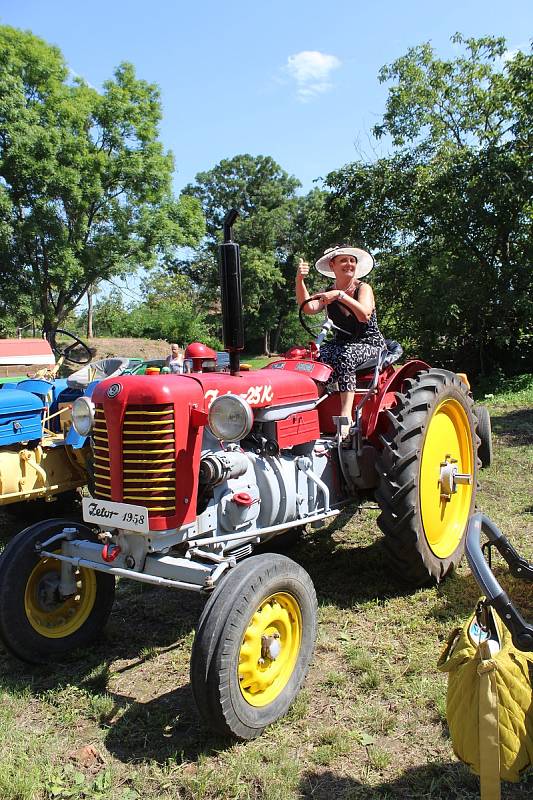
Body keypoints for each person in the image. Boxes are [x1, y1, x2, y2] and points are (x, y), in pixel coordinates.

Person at [295, 245, 385, 441]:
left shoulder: (363, 288)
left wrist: (340, 296)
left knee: (345, 356)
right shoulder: (329, 291)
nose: (349, 264)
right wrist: (300, 280)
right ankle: (305, 411)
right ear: (332, 265)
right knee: (316, 357)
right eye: (344, 260)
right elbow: (309, 308)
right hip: (341, 343)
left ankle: (346, 418)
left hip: (369, 344)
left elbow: (364, 316)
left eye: (352, 260)